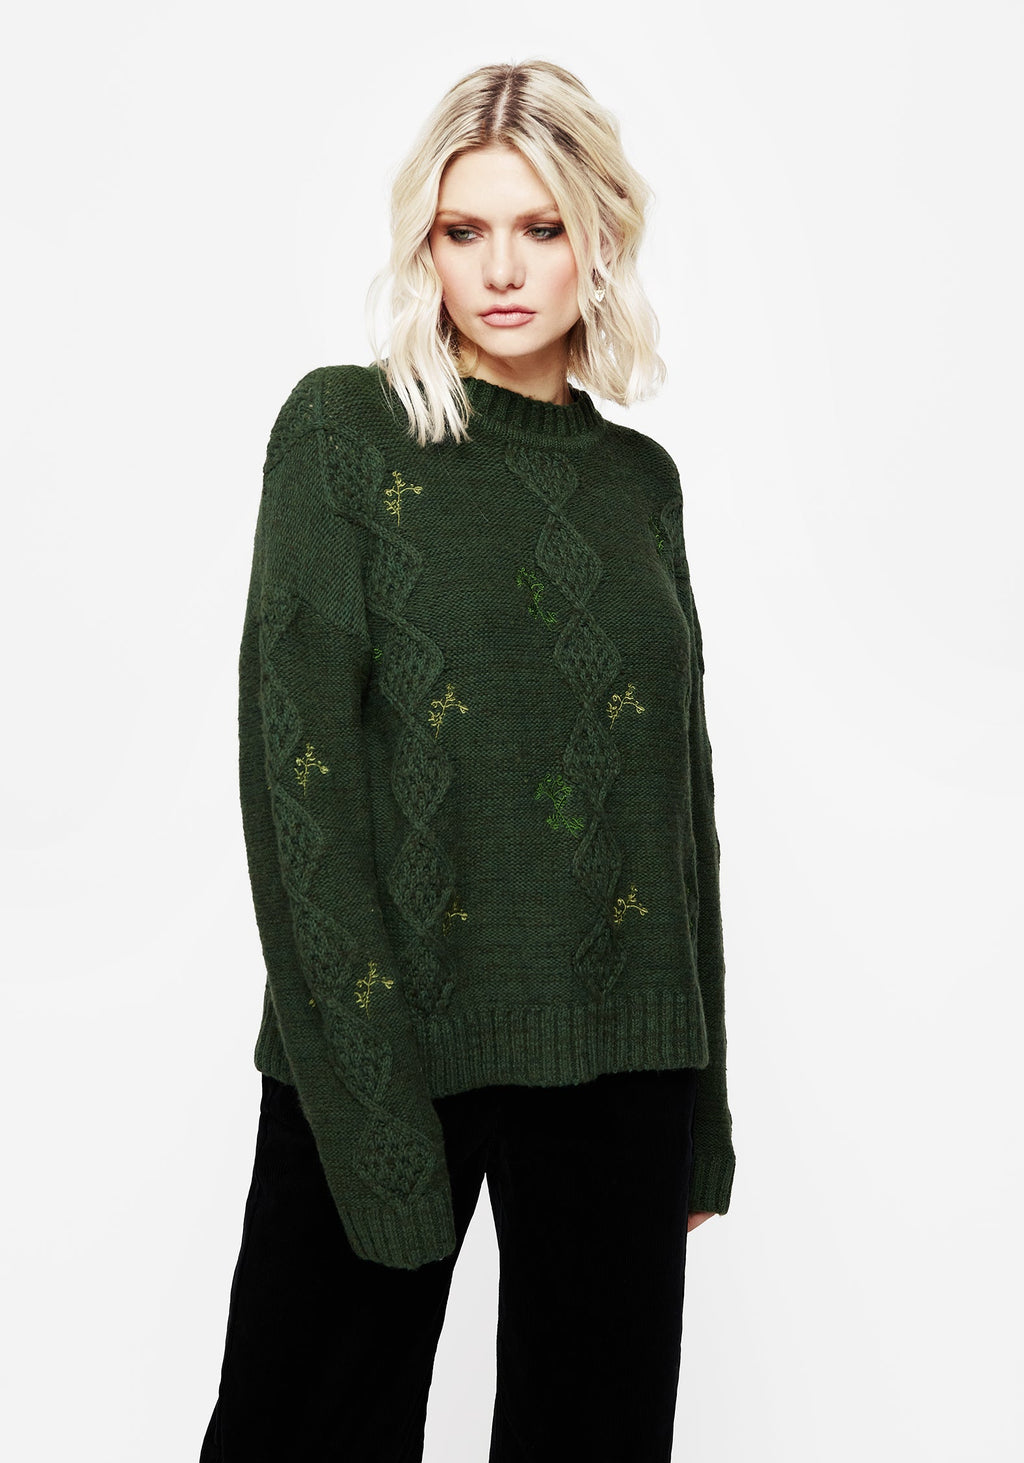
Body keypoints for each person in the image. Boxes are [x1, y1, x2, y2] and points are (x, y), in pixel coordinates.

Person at [200, 58, 736, 1463]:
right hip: (384, 1039)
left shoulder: (640, 486)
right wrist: (368, 1104)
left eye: (540, 227)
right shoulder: (342, 435)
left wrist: (704, 1115)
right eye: (465, 229)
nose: (501, 270)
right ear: (425, 244)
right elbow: (295, 782)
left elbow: (678, 806)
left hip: (623, 1055)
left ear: (598, 238)